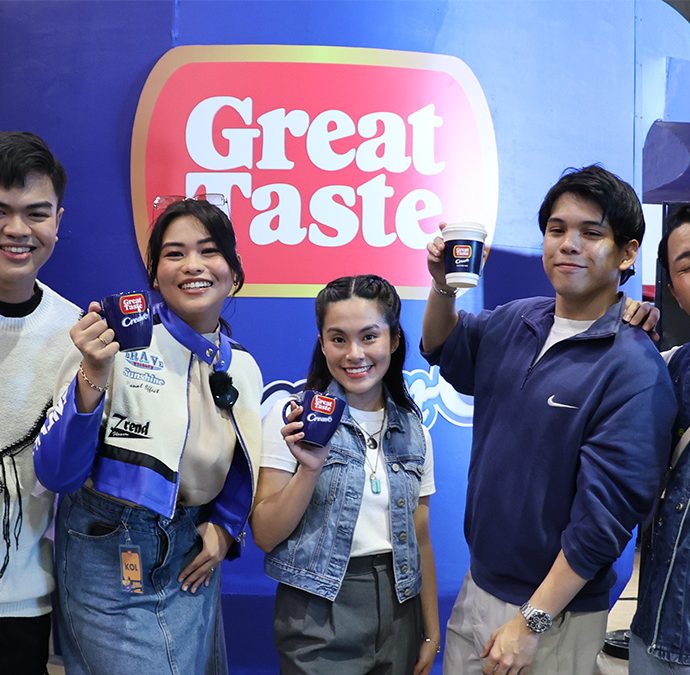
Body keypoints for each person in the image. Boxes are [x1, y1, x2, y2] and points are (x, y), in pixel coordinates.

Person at [422, 165, 677, 675]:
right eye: (557, 229)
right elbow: (441, 345)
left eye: (591, 232)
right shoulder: (517, 319)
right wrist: (443, 287)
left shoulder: (633, 368)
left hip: (551, 619)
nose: (568, 244)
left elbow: (603, 522)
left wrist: (531, 622)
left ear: (627, 253)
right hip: (477, 588)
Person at [33, 197, 262, 674]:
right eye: (174, 254)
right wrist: (94, 374)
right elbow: (57, 472)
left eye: (209, 250)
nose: (193, 265)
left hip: (189, 562)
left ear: (233, 271)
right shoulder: (112, 343)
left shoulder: (242, 366)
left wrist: (223, 527)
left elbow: (244, 464)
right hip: (107, 551)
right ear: (155, 274)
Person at [251, 274, 440, 674]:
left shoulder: (414, 430)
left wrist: (429, 628)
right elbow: (265, 534)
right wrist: (309, 468)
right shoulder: (293, 418)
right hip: (319, 611)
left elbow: (420, 532)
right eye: (338, 339)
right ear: (322, 344)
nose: (354, 353)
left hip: (401, 607)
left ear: (394, 340)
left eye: (369, 336)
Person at [0, 131, 80, 675]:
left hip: (24, 597)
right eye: (1, 211)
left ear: (57, 221)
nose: (16, 230)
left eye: (35, 213)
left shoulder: (77, 333)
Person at [629, 204, 690, 674]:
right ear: (673, 288)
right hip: (659, 633)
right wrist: (628, 343)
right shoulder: (667, 369)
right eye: (688, 264)